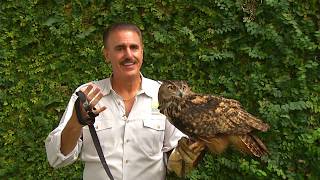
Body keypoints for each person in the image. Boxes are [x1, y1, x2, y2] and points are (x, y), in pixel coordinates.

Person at [45, 22, 204, 180]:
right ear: (107, 54)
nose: (128, 55)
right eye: (120, 48)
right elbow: (57, 158)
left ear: (142, 52)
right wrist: (75, 121)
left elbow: (175, 156)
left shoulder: (165, 96)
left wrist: (190, 151)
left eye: (134, 47)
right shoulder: (86, 96)